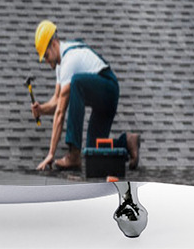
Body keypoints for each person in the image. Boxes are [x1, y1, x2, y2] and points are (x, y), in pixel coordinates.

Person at [31, 19, 140, 171]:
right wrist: (41, 109)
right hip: (102, 96)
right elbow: (56, 100)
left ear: (54, 43)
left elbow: (60, 112)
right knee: (92, 153)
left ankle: (74, 155)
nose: (47, 61)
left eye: (47, 55)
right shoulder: (61, 65)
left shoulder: (69, 60)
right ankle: (127, 142)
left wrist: (51, 153)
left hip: (108, 87)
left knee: (76, 83)